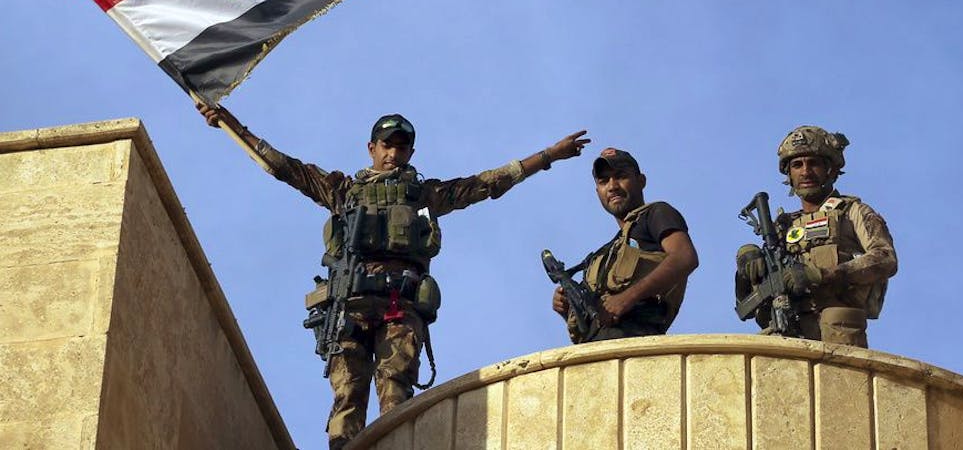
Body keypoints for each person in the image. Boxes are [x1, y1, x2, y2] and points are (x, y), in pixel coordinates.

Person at [197, 104, 590, 449]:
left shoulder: (424, 195)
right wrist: (233, 126)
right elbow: (286, 168)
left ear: (410, 152)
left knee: (396, 397)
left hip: (399, 308)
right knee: (347, 397)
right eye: (386, 145)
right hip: (350, 306)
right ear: (371, 148)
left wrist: (548, 156)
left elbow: (487, 184)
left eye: (401, 147)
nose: (393, 154)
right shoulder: (343, 191)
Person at [735, 125, 898, 347]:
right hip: (787, 328)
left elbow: (885, 258)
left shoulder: (852, 212)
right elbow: (747, 301)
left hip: (836, 331)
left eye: (813, 163)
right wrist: (747, 261)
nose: (805, 172)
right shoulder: (782, 227)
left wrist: (822, 275)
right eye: (797, 165)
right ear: (789, 175)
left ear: (830, 170)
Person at [551, 147, 698, 342]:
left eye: (621, 176)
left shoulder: (656, 213)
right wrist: (569, 308)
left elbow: (684, 257)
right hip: (597, 346)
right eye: (604, 181)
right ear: (597, 191)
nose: (612, 186)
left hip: (636, 339)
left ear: (641, 181)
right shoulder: (605, 253)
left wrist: (627, 298)